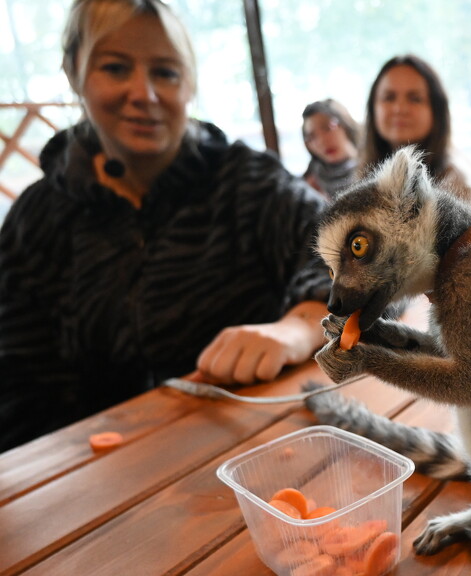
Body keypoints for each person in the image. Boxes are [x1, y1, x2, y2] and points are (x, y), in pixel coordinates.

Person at [0, 0, 332, 451]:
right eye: (116, 68)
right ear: (73, 74)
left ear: (189, 84)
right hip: (102, 470)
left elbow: (359, 254)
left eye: (165, 73)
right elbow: (16, 384)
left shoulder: (244, 179)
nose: (145, 94)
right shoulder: (37, 217)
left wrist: (297, 329)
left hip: (261, 448)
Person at [357, 54, 471, 218]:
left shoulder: (461, 188)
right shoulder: (360, 176)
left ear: (436, 112)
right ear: (373, 108)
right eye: (389, 97)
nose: (399, 108)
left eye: (415, 99)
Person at [301, 98, 359, 199]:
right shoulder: (309, 184)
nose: (322, 141)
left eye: (327, 128)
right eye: (312, 137)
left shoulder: (373, 163)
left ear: (344, 125)